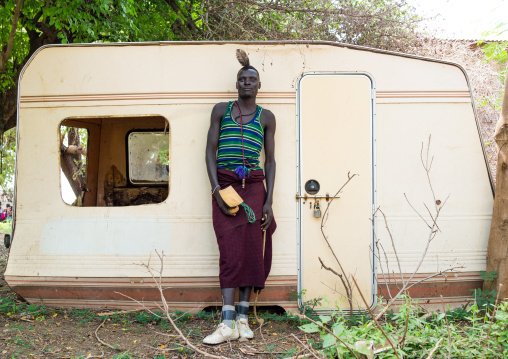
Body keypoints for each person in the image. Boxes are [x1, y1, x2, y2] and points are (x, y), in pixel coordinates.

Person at [204, 49, 277, 344]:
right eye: (242, 79)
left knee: (250, 251)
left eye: (252, 80)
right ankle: (226, 323)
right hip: (226, 185)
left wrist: (269, 200)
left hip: (255, 188)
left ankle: (244, 320)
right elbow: (209, 152)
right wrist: (217, 190)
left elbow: (270, 161)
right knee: (229, 250)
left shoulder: (267, 117)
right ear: (237, 84)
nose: (247, 83)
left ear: (259, 86)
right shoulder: (221, 110)